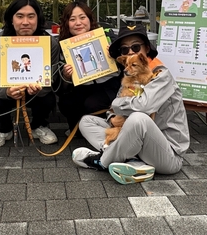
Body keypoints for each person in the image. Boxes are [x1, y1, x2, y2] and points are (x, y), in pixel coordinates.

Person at [72, 26, 189, 185]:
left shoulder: (161, 75)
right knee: (86, 121)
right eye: (124, 49)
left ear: (146, 49)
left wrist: (116, 104)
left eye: (135, 47)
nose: (130, 52)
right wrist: (113, 116)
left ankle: (101, 161)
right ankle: (131, 160)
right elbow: (114, 112)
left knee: (138, 118)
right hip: (138, 144)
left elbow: (143, 106)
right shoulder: (130, 76)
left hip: (168, 153)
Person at [0, 0, 60, 147]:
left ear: (38, 19)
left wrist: (40, 88)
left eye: (31, 16)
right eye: (20, 16)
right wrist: (7, 91)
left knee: (48, 98)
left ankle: (39, 126)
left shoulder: (50, 43)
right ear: (11, 19)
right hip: (8, 90)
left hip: (36, 92)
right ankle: (4, 128)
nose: (25, 22)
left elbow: (53, 76)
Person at [56, 1, 120, 133]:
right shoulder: (63, 45)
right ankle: (77, 129)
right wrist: (66, 76)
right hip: (81, 87)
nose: (78, 23)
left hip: (109, 85)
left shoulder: (107, 37)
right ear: (67, 23)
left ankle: (106, 126)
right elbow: (61, 86)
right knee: (66, 102)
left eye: (82, 17)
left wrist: (116, 55)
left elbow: (128, 63)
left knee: (92, 104)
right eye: (72, 19)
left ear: (90, 19)